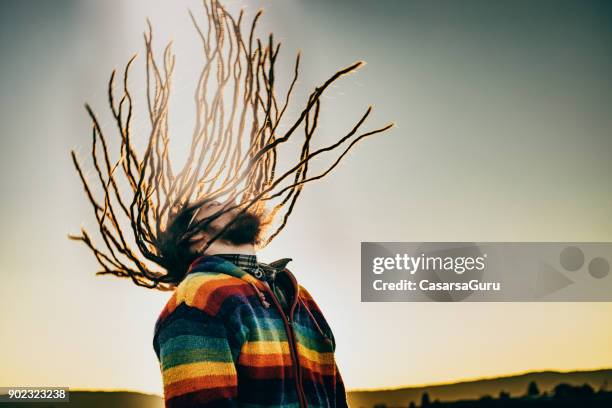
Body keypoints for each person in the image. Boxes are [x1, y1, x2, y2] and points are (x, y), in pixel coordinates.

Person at [152, 198, 348, 407]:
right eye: (214, 207)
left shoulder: (298, 296)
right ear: (194, 237)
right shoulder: (198, 299)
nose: (232, 203)